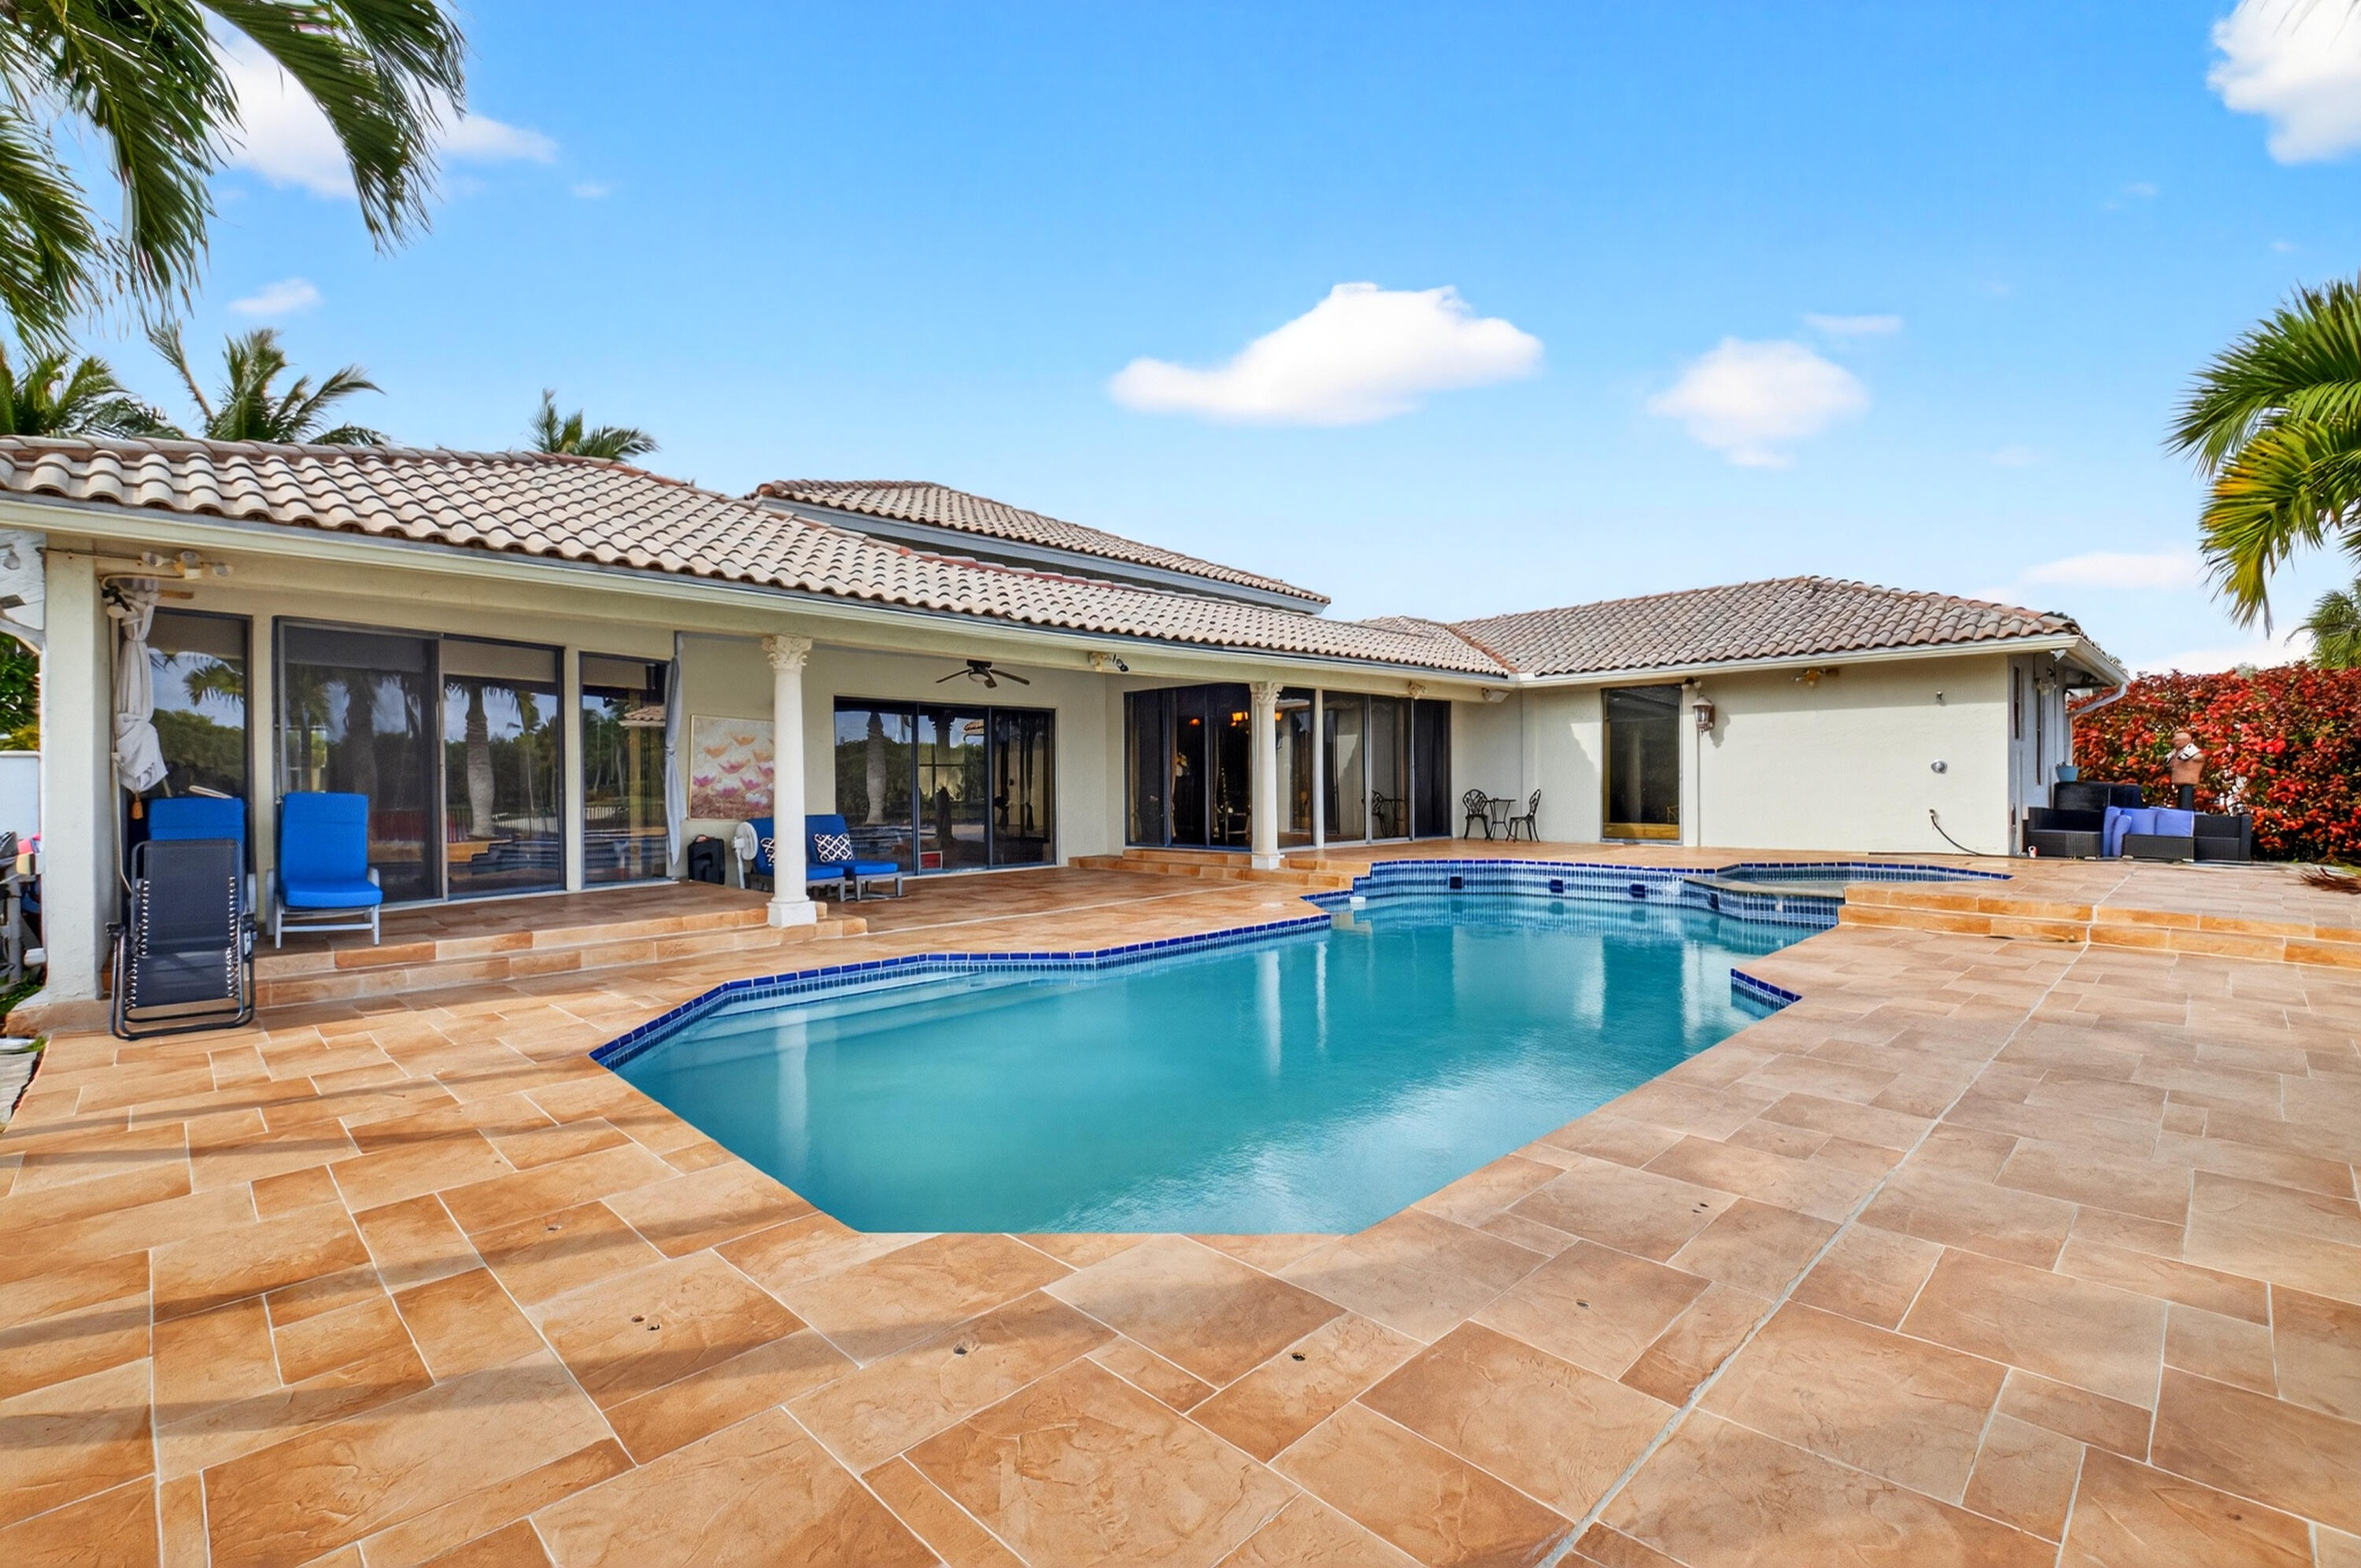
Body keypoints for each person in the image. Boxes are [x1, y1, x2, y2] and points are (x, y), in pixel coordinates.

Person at [2168, 728, 2204, 813]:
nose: (2175, 743)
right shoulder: (2175, 753)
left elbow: (2199, 758)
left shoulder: (2193, 754)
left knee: (2186, 803)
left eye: (2177, 740)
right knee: (2181, 802)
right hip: (2179, 783)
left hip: (2188, 782)